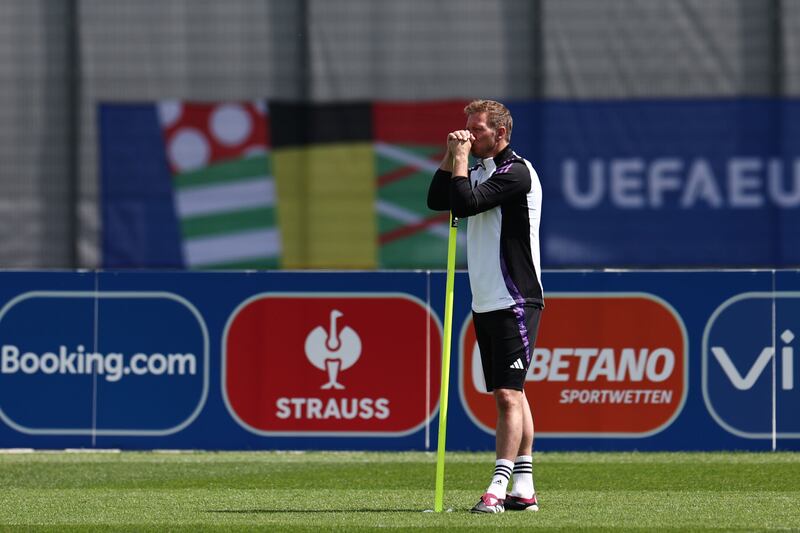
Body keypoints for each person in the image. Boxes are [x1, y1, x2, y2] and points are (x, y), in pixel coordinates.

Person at [427, 100, 544, 514]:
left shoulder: (517, 172)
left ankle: (496, 487)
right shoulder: (474, 169)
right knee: (509, 393)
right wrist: (450, 156)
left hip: (515, 297)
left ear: (502, 134)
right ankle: (525, 488)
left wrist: (460, 159)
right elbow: (437, 199)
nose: (469, 136)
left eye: (477, 130)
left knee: (508, 396)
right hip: (485, 298)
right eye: (467, 128)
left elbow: (465, 204)